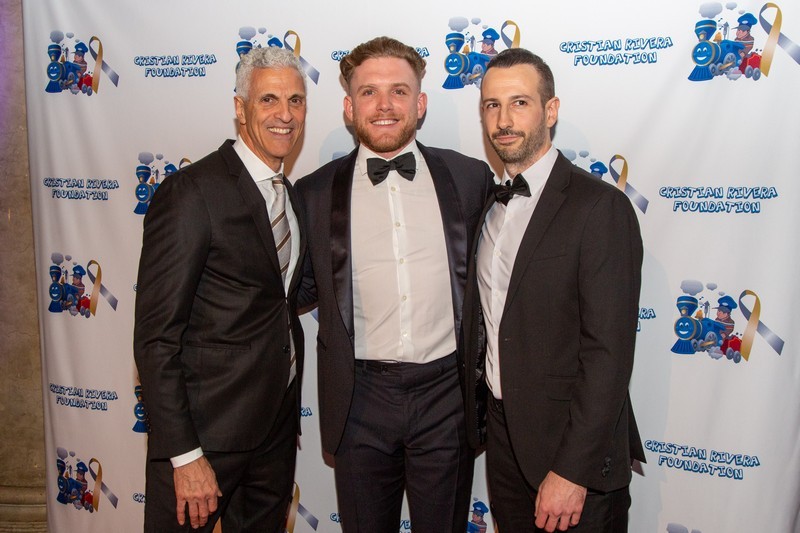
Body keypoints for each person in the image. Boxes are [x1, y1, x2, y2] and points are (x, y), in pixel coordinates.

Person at [295, 36, 494, 533]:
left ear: (420, 103)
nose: (384, 105)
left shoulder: (470, 178)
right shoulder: (314, 193)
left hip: (447, 395)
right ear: (349, 107)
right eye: (369, 92)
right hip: (358, 398)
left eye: (399, 91)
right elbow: (294, 288)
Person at [463, 48, 645, 532]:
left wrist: (571, 470)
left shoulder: (599, 208)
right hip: (504, 447)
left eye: (519, 103)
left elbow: (608, 354)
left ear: (551, 110)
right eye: (492, 105)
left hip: (572, 457)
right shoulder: (489, 206)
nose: (504, 120)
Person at [133, 46, 307, 532]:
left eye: (295, 101)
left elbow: (277, 299)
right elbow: (156, 337)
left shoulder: (288, 195)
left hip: (274, 434)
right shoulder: (192, 192)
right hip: (204, 438)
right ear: (240, 107)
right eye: (269, 99)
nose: (285, 114)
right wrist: (184, 454)